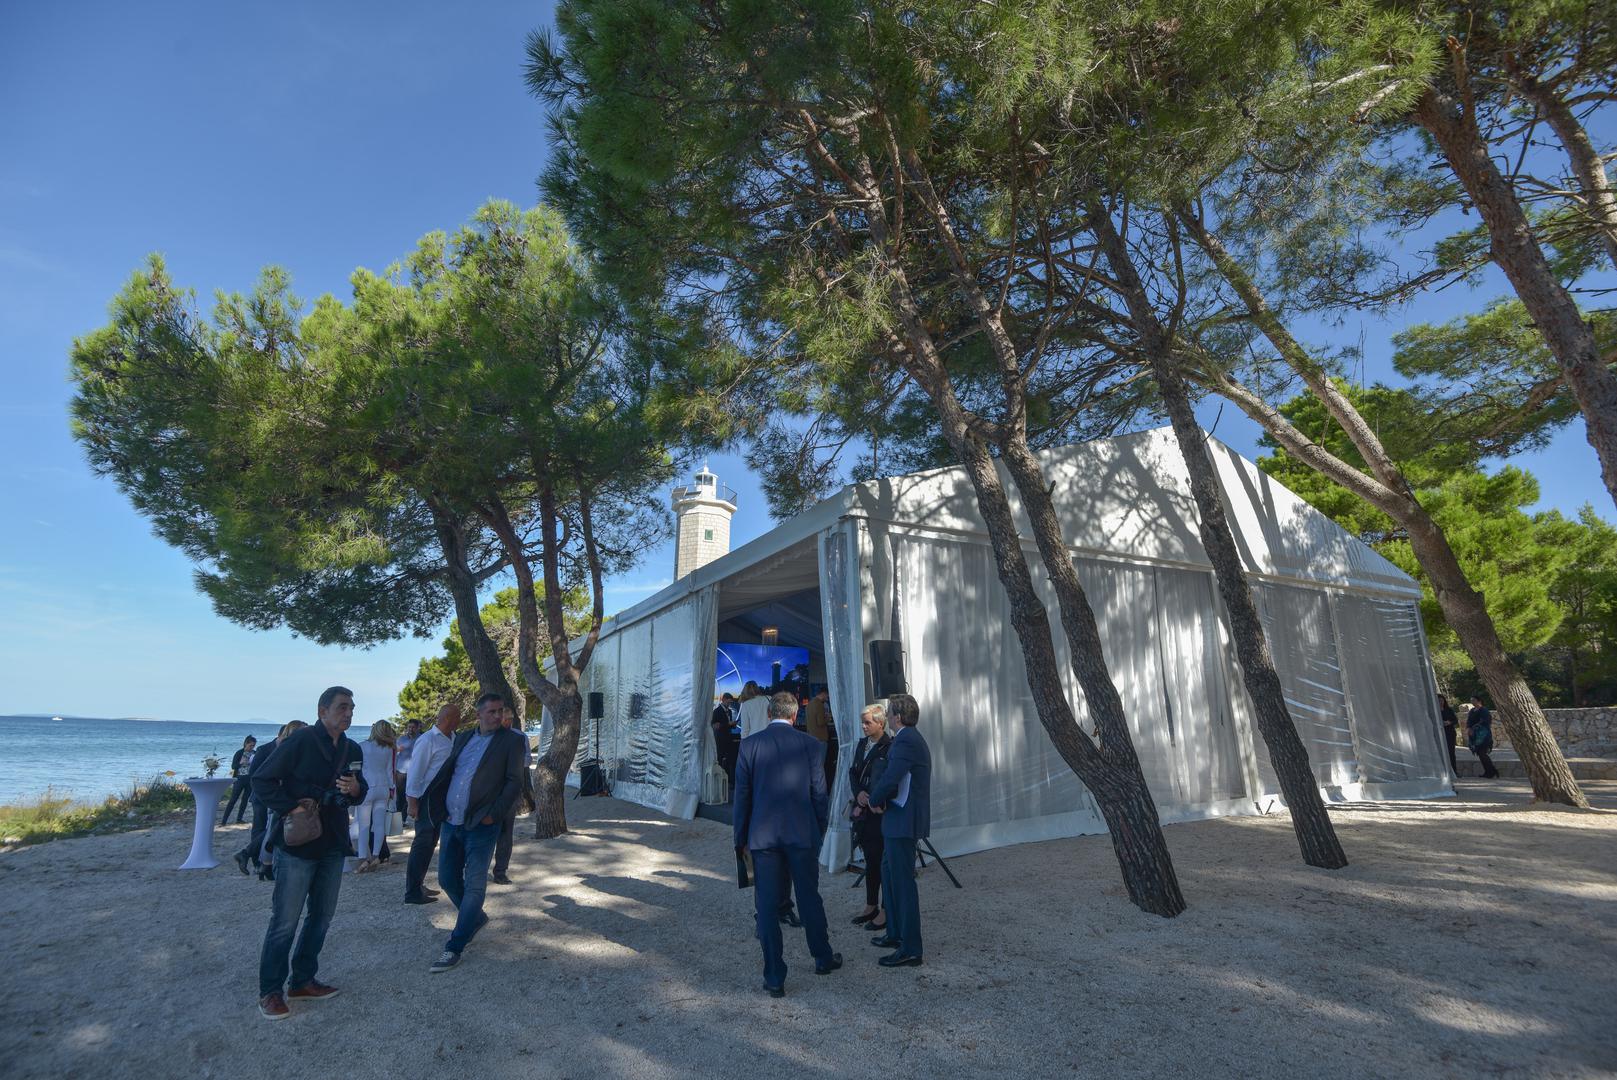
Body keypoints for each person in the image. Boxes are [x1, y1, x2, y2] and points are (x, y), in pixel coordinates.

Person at [250, 687, 367, 1020]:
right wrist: (291, 808)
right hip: (298, 845)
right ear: (322, 711)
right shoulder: (300, 741)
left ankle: (302, 980)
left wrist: (357, 789)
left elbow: (360, 789)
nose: (349, 713)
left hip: (333, 843)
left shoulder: (352, 748)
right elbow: (261, 780)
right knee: (285, 922)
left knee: (321, 917)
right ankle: (270, 991)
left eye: (352, 708)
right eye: (342, 707)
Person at [732, 690, 841, 997]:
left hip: (763, 836)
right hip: (801, 833)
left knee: (766, 905)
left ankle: (774, 976)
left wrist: (740, 838)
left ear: (770, 714)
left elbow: (742, 797)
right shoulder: (810, 744)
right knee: (809, 897)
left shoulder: (749, 745)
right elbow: (819, 793)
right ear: (795, 716)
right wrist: (819, 829)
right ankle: (822, 957)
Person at [423, 692, 526, 973]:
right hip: (451, 821)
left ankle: (454, 946)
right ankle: (476, 918)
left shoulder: (512, 741)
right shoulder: (464, 737)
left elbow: (514, 781)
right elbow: (452, 772)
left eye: (500, 711)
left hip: (482, 824)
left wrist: (494, 814)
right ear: (479, 714)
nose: (497, 716)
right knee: (446, 878)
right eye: (491, 711)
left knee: (475, 884)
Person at [864, 692, 931, 969]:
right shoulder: (908, 739)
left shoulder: (905, 740)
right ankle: (895, 932)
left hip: (903, 821)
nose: (888, 717)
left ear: (898, 718)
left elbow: (892, 777)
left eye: (890, 713)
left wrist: (874, 799)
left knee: (902, 884)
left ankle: (911, 948)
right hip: (898, 819)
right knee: (889, 875)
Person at [403, 705, 458, 905]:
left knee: (431, 843)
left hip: (442, 798)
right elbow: (415, 772)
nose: (460, 720)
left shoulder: (454, 738)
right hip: (426, 798)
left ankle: (418, 883)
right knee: (422, 843)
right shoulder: (428, 740)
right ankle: (412, 892)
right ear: (448, 718)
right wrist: (412, 802)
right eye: (458, 716)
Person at [234, 722, 302, 879]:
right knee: (260, 828)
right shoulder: (264, 749)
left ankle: (256, 859)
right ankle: (257, 863)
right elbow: (254, 775)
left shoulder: (289, 749)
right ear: (282, 734)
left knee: (273, 828)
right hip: (260, 797)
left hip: (277, 796)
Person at [847, 704, 892, 930]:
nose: (864, 726)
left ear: (880, 723)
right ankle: (871, 904)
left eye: (868, 722)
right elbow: (853, 772)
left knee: (882, 860)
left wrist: (872, 797)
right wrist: (858, 794)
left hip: (879, 811)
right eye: (862, 722)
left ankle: (886, 908)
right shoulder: (862, 744)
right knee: (870, 859)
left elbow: (889, 779)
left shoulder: (889, 746)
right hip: (863, 810)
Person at [492, 704, 535, 885]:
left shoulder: (520, 737)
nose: (507, 723)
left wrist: (515, 763)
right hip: (488, 792)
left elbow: (528, 759)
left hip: (509, 792)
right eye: (505, 720)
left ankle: (501, 870)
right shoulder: (488, 737)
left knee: (505, 831)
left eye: (509, 720)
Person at [353, 720, 397, 873]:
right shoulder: (389, 749)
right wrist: (392, 790)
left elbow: (356, 767)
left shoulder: (362, 746)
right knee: (379, 825)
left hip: (367, 787)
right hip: (383, 787)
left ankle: (362, 859)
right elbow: (390, 771)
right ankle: (376, 856)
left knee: (364, 825)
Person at [221, 736, 258, 824]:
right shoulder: (239, 753)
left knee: (245, 800)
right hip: (239, 778)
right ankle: (224, 820)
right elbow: (233, 766)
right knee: (233, 799)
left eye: (253, 746)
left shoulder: (254, 753)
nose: (252, 747)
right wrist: (240, 763)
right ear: (245, 744)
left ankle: (239, 819)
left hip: (249, 778)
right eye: (250, 745)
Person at [712, 693, 740, 791]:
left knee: (729, 760)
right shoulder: (716, 711)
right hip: (720, 739)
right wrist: (728, 724)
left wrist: (733, 725)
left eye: (730, 703)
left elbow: (727, 725)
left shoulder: (730, 711)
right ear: (723, 699)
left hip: (729, 738)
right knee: (720, 759)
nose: (729, 704)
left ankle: (729, 781)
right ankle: (719, 781)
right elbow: (715, 726)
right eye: (728, 702)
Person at [1467, 695, 1500, 779]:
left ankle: (1491, 771)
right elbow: (1469, 721)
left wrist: (1474, 728)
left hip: (1483, 735)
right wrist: (1469, 729)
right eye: (1471, 700)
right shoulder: (1472, 711)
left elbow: (1485, 721)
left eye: (1474, 700)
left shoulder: (1484, 710)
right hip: (1475, 736)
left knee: (1482, 753)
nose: (1472, 702)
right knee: (1480, 753)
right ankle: (1489, 771)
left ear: (1479, 701)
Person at [394, 720, 420, 824]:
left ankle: (405, 818)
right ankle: (399, 820)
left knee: (410, 795)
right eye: (409, 727)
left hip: (414, 772)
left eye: (413, 727)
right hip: (400, 771)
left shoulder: (421, 739)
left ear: (417, 728)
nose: (410, 729)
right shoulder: (401, 739)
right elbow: (395, 753)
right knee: (400, 796)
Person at [1438, 695, 1460, 776]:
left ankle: (1454, 771)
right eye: (1439, 701)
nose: (1441, 702)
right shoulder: (1435, 711)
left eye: (1442, 700)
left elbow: (1455, 720)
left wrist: (1449, 722)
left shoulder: (1448, 710)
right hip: (1439, 733)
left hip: (1450, 733)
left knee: (1451, 752)